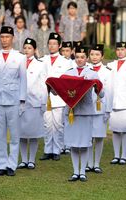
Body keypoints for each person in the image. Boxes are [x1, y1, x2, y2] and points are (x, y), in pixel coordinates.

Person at [0, 26, 27, 176]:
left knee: (15, 135)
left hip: (14, 100)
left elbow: (23, 80)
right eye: (2, 37)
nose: (4, 40)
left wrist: (22, 101)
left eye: (7, 37)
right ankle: (1, 165)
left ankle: (12, 165)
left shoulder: (20, 57)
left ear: (13, 38)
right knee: (0, 136)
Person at [63, 46, 104, 182]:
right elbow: (60, 90)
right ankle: (75, 172)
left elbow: (102, 93)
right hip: (72, 112)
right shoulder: (68, 72)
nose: (80, 60)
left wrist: (97, 86)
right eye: (77, 57)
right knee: (74, 143)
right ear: (74, 57)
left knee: (85, 142)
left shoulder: (92, 73)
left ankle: (83, 172)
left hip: (86, 111)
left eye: (82, 57)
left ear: (86, 58)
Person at [39, 32, 70, 161]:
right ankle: (47, 150)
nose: (52, 46)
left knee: (58, 124)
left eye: (54, 44)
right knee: (47, 124)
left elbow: (66, 80)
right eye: (50, 44)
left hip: (59, 96)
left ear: (59, 45)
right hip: (45, 96)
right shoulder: (42, 60)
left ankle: (57, 149)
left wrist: (57, 89)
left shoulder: (65, 62)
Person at [17, 38, 47, 170]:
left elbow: (44, 85)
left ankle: (31, 160)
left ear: (34, 50)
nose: (27, 50)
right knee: (21, 133)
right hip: (20, 102)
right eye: (25, 48)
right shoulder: (18, 63)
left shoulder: (40, 64)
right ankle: (23, 160)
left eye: (30, 48)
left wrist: (43, 103)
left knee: (34, 134)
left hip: (35, 102)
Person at [107, 42, 126, 165]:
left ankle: (124, 155)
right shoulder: (110, 65)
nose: (120, 52)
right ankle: (116, 155)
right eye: (118, 49)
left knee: (125, 130)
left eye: (122, 49)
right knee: (115, 130)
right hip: (113, 101)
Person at [85, 44, 112, 173]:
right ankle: (89, 163)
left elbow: (110, 91)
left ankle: (96, 163)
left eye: (97, 54)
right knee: (88, 136)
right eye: (92, 54)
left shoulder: (107, 71)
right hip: (87, 108)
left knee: (99, 137)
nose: (94, 57)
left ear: (102, 56)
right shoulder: (85, 70)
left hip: (101, 107)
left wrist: (108, 110)